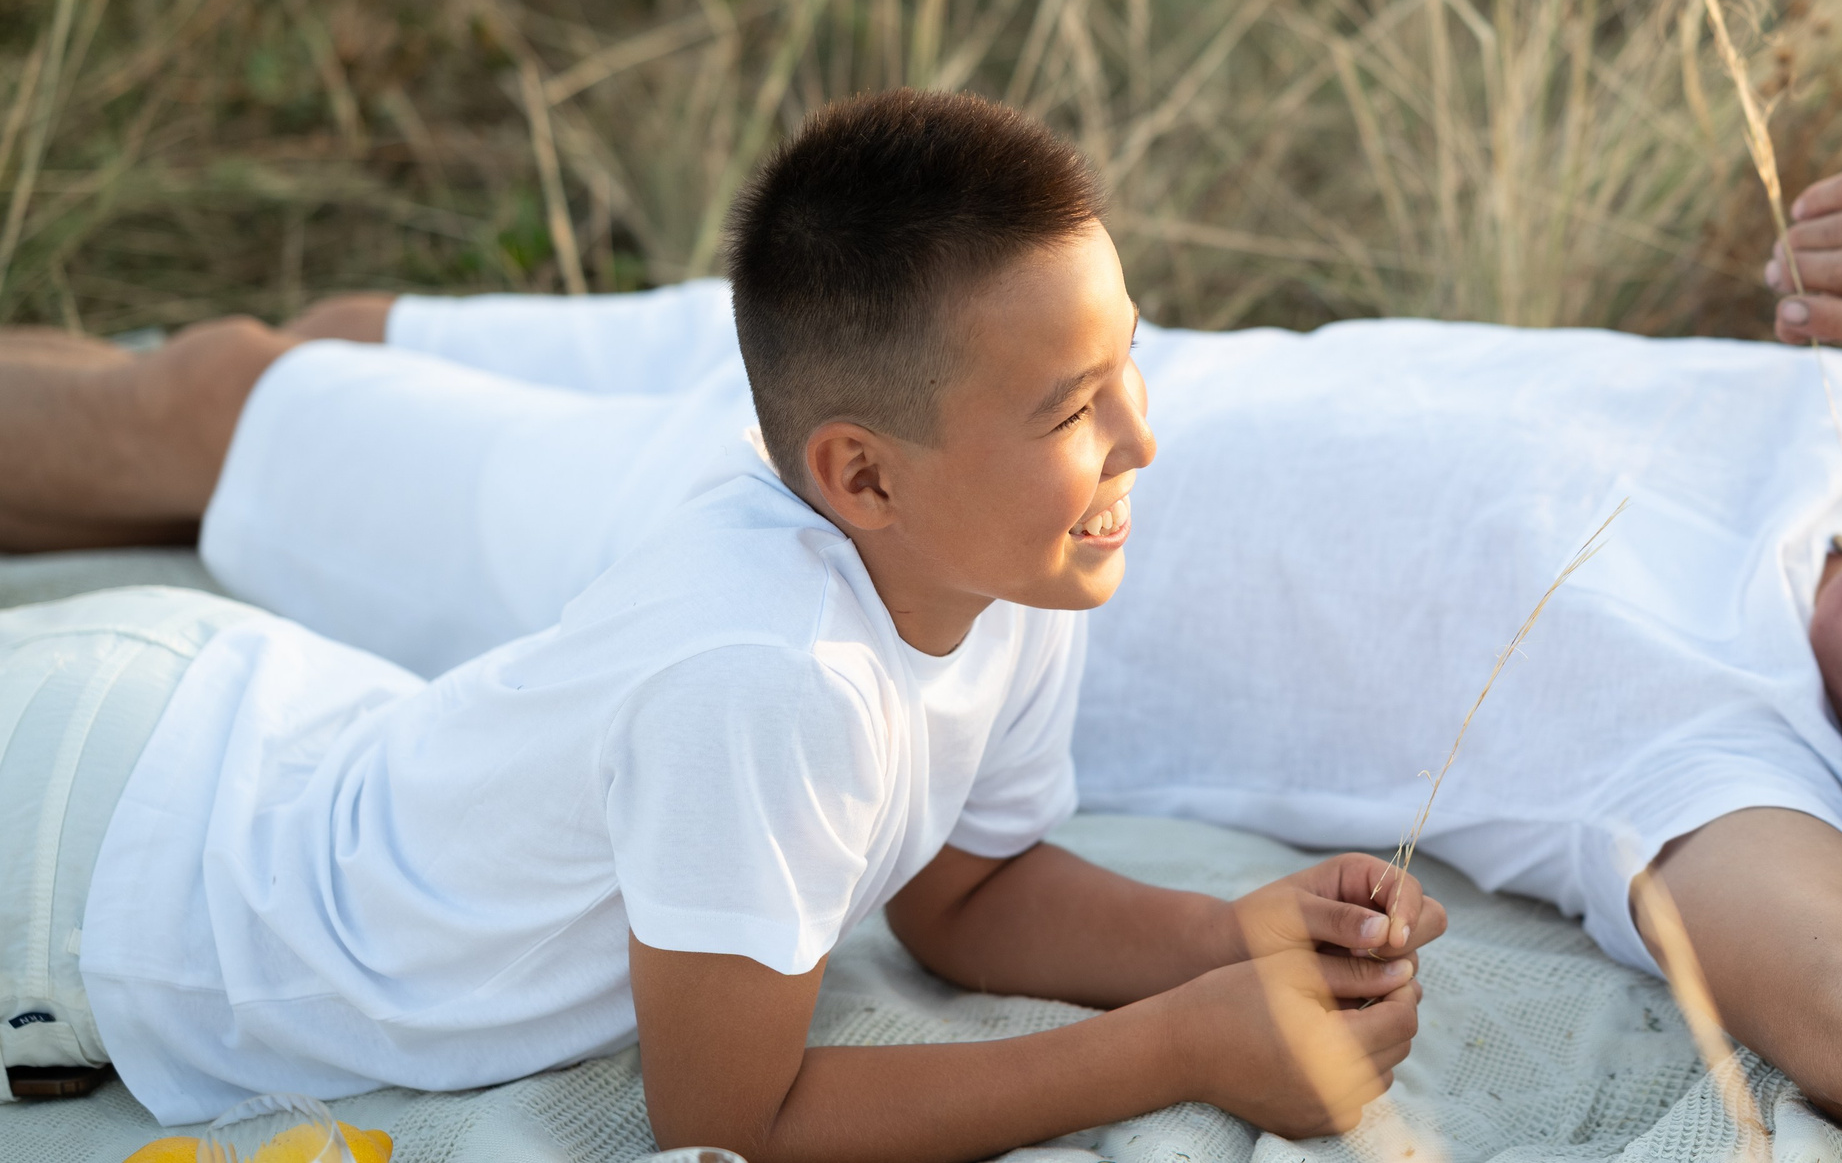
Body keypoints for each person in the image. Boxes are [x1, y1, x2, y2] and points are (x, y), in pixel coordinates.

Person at [0, 0, 1842, 1134]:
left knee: (219, 434)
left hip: (915, 572)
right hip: (969, 361)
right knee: (249, 366)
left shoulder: (1748, 799)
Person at [0, 95, 1443, 1157]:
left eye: (1128, 361)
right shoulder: (773, 673)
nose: (1140, 434)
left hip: (245, 720)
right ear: (861, 472)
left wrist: (1232, 942)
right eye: (1073, 406)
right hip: (95, 869)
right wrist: (1177, 1048)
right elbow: (734, 1119)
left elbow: (964, 895)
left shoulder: (1007, 560)